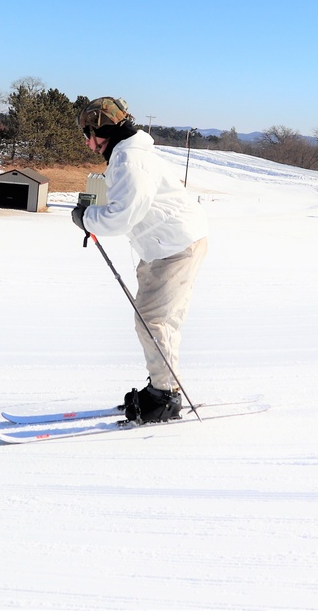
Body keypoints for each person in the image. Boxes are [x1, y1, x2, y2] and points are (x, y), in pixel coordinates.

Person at [71, 97, 209, 424]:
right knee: (155, 319)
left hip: (174, 247)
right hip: (163, 246)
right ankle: (164, 387)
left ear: (108, 131)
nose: (90, 144)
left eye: (92, 135)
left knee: (153, 320)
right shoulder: (127, 154)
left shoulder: (131, 161)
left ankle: (164, 397)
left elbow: (122, 216)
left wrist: (87, 218)